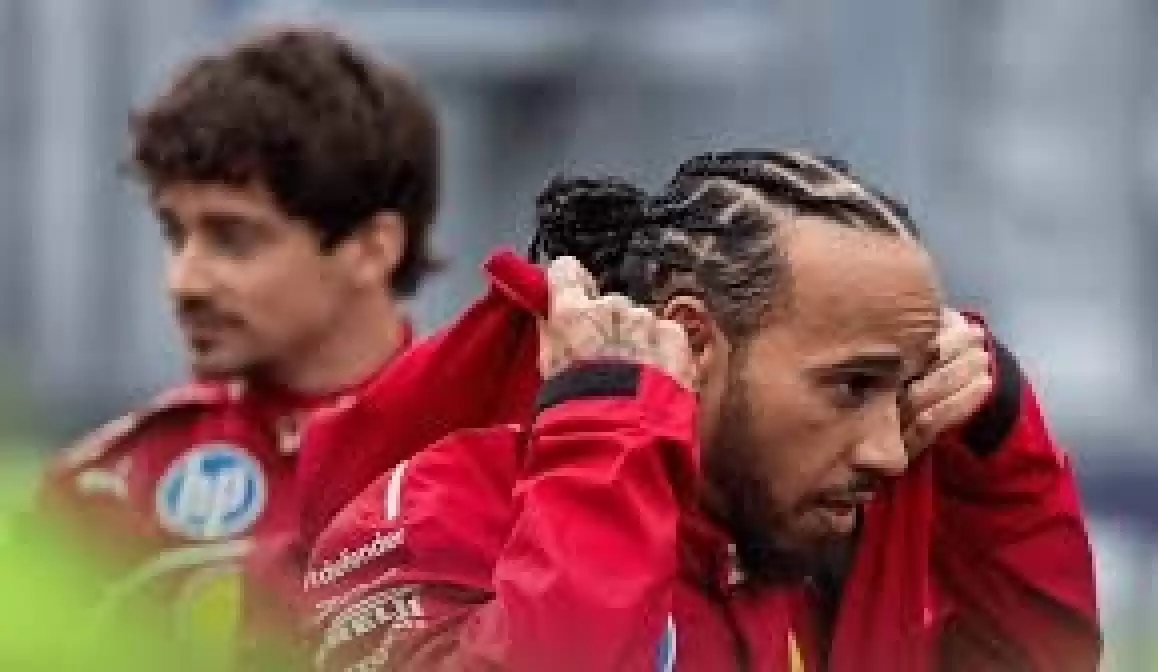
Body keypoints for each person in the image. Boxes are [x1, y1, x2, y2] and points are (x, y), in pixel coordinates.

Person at [305, 150, 1100, 671]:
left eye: (904, 387)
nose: (887, 450)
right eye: (853, 386)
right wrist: (605, 441)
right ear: (694, 339)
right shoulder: (450, 508)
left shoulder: (806, 550)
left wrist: (998, 442)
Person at [32, 26, 440, 666]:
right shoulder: (107, 487)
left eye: (233, 238)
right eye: (176, 234)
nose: (184, 281)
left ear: (371, 248)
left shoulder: (505, 461)